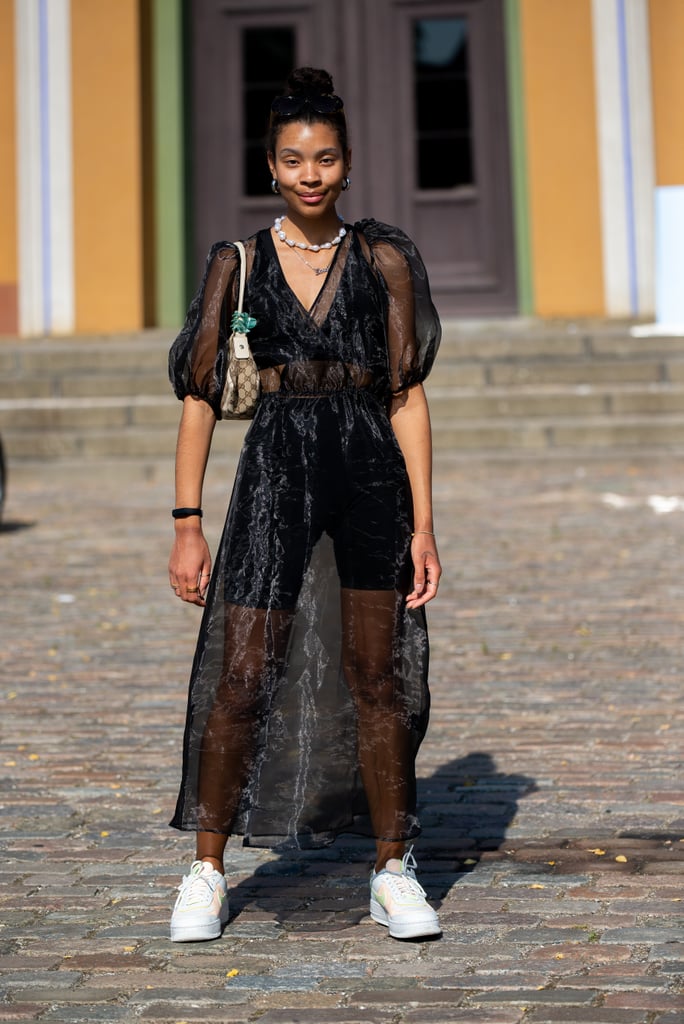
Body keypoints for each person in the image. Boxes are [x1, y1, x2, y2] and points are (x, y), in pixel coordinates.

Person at [167, 66, 442, 943]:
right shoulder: (237, 264)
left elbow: (407, 394)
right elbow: (202, 396)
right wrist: (187, 522)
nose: (311, 173)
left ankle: (392, 869)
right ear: (272, 167)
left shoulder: (384, 257)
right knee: (241, 674)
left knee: (378, 675)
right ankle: (206, 872)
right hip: (276, 473)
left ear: (348, 163)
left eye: (325, 158)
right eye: (294, 159)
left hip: (370, 477)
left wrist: (427, 524)